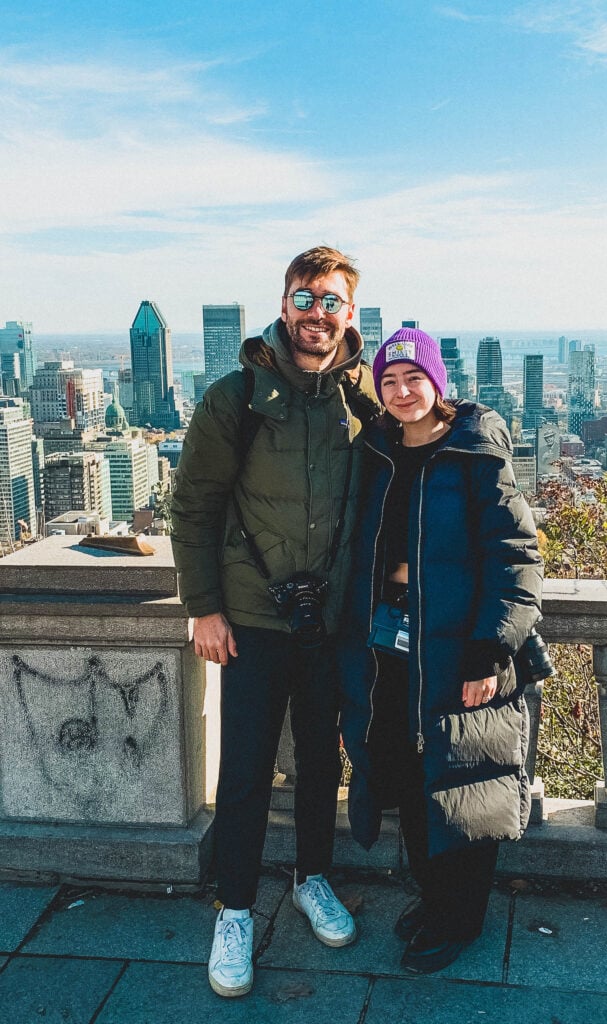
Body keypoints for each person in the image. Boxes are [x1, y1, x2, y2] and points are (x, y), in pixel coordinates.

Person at [170, 247, 379, 998]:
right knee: (247, 767)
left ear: (350, 313)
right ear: (284, 304)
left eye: (331, 301)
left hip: (331, 618)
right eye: (305, 298)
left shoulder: (365, 397)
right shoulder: (236, 397)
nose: (317, 314)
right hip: (253, 615)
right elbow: (193, 505)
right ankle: (234, 910)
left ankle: (310, 876)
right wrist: (203, 606)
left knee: (322, 761)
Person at [339, 327, 544, 974]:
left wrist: (491, 651)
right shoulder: (377, 451)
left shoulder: (473, 449)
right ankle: (434, 899)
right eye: (389, 381)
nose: (402, 391)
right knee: (408, 774)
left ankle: (459, 920)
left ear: (437, 382)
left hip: (461, 648)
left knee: (466, 783)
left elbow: (515, 557)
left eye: (414, 378)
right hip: (392, 645)